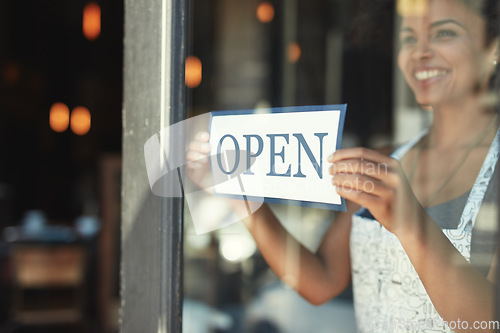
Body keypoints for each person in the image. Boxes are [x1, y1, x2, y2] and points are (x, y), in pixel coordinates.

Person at [187, 0, 500, 331]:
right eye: (409, 38)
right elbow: (321, 282)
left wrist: (409, 224)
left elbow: (488, 323)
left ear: (492, 48)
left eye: (444, 33)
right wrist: (240, 197)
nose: (420, 52)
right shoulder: (386, 159)